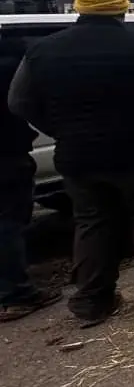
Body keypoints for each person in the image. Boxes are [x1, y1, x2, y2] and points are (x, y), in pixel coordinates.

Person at [7, 0, 134, 326]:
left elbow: (18, 102)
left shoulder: (41, 52)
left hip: (78, 155)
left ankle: (92, 301)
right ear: (122, 9)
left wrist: (59, 127)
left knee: (92, 223)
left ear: (79, 9)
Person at [0, 37, 61, 322]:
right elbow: (22, 102)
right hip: (6, 154)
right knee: (8, 223)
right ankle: (15, 296)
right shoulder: (12, 61)